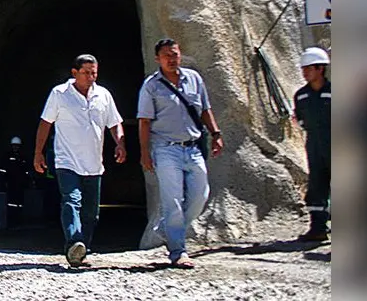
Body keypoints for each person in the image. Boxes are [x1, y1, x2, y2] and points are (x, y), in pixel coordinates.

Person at [137, 38, 224, 268]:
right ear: (158, 59)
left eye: (174, 54)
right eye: (166, 55)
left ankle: (167, 229)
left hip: (193, 147)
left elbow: (205, 109)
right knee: (172, 200)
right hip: (165, 149)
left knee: (200, 195)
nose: (172, 59)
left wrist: (216, 133)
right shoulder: (151, 86)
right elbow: (144, 121)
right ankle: (178, 250)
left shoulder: (194, 79)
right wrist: (145, 153)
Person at [33, 54, 126, 267]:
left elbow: (115, 122)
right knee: (71, 200)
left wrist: (120, 143)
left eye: (94, 73)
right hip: (67, 161)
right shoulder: (59, 94)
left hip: (94, 164)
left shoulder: (103, 95)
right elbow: (45, 123)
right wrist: (38, 153)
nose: (91, 77)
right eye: (86, 73)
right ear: (74, 73)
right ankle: (74, 242)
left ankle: (82, 250)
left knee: (91, 212)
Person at [294, 47, 331, 241]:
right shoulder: (301, 95)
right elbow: (300, 119)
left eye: (309, 68)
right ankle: (318, 228)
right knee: (317, 184)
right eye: (303, 69)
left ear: (320, 69)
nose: (305, 73)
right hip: (315, 145)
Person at [0, 136, 31, 225]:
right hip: (10, 182)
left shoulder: (23, 157)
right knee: (10, 201)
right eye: (14, 145)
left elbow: (26, 171)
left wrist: (27, 181)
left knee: (20, 201)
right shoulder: (7, 156)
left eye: (17, 146)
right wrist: (4, 180)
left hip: (20, 183)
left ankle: (18, 218)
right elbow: (3, 169)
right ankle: (10, 218)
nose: (15, 147)